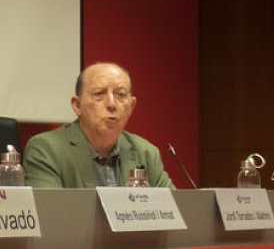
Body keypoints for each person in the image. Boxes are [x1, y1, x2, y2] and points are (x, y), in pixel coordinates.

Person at [23, 62, 173, 188]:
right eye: (99, 94)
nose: (112, 104)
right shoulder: (47, 149)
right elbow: (50, 213)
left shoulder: (146, 153)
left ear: (131, 106)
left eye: (120, 94)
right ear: (77, 105)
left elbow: (175, 213)